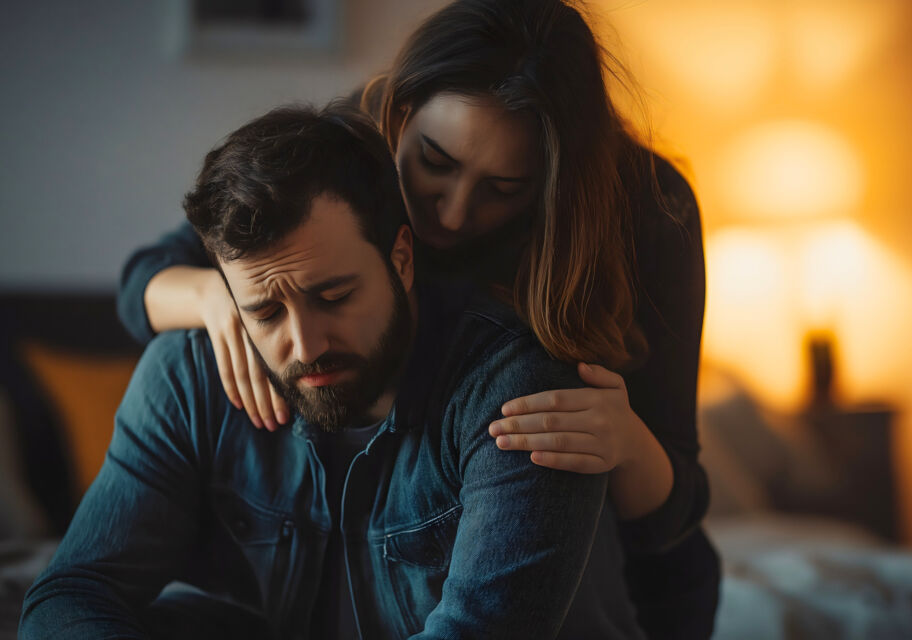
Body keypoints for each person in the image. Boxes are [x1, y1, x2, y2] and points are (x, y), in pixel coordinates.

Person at [117, 0, 719, 636]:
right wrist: (219, 298)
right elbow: (142, 284)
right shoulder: (352, 144)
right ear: (398, 114)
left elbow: (677, 509)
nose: (454, 214)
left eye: (505, 188)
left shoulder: (651, 210)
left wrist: (625, 441)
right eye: (436, 162)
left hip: (636, 586)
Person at [21, 104, 645, 639]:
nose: (305, 343)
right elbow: (73, 592)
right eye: (264, 310)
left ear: (401, 258)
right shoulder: (188, 373)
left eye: (335, 295)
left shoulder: (515, 390)